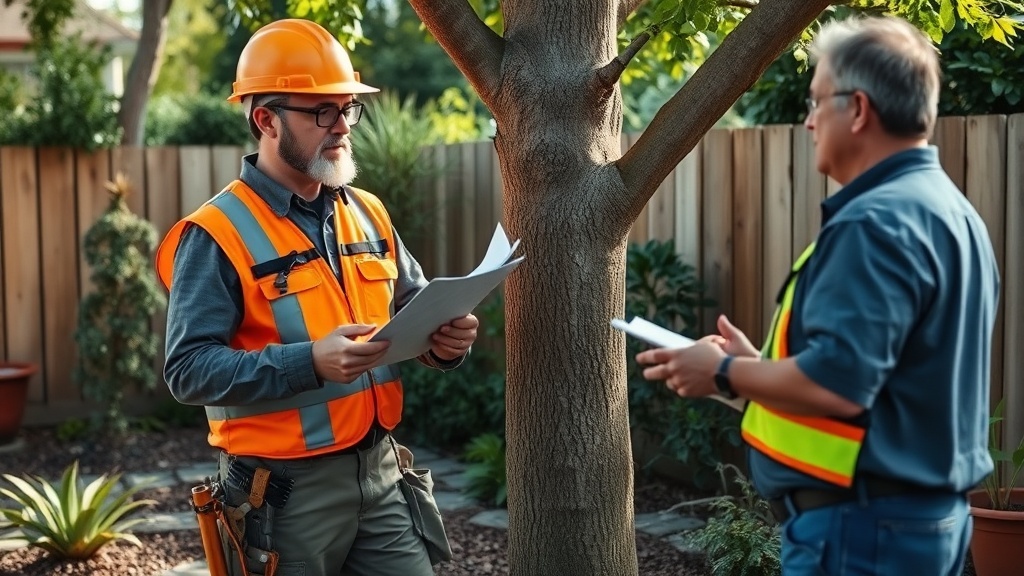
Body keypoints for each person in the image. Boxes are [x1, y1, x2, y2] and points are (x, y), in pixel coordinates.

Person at [636, 16, 999, 576]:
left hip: (860, 533)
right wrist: (759, 367)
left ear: (857, 110)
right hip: (913, 525)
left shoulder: (874, 222)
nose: (807, 122)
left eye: (816, 101)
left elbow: (841, 380)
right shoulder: (953, 215)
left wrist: (727, 372)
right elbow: (883, 381)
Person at [155, 18, 478, 576]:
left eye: (348, 108)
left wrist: (445, 342)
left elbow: (413, 310)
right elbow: (187, 370)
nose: (342, 126)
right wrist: (310, 362)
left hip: (381, 476)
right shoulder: (215, 233)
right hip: (281, 496)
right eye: (322, 111)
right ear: (266, 120)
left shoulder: (368, 212)